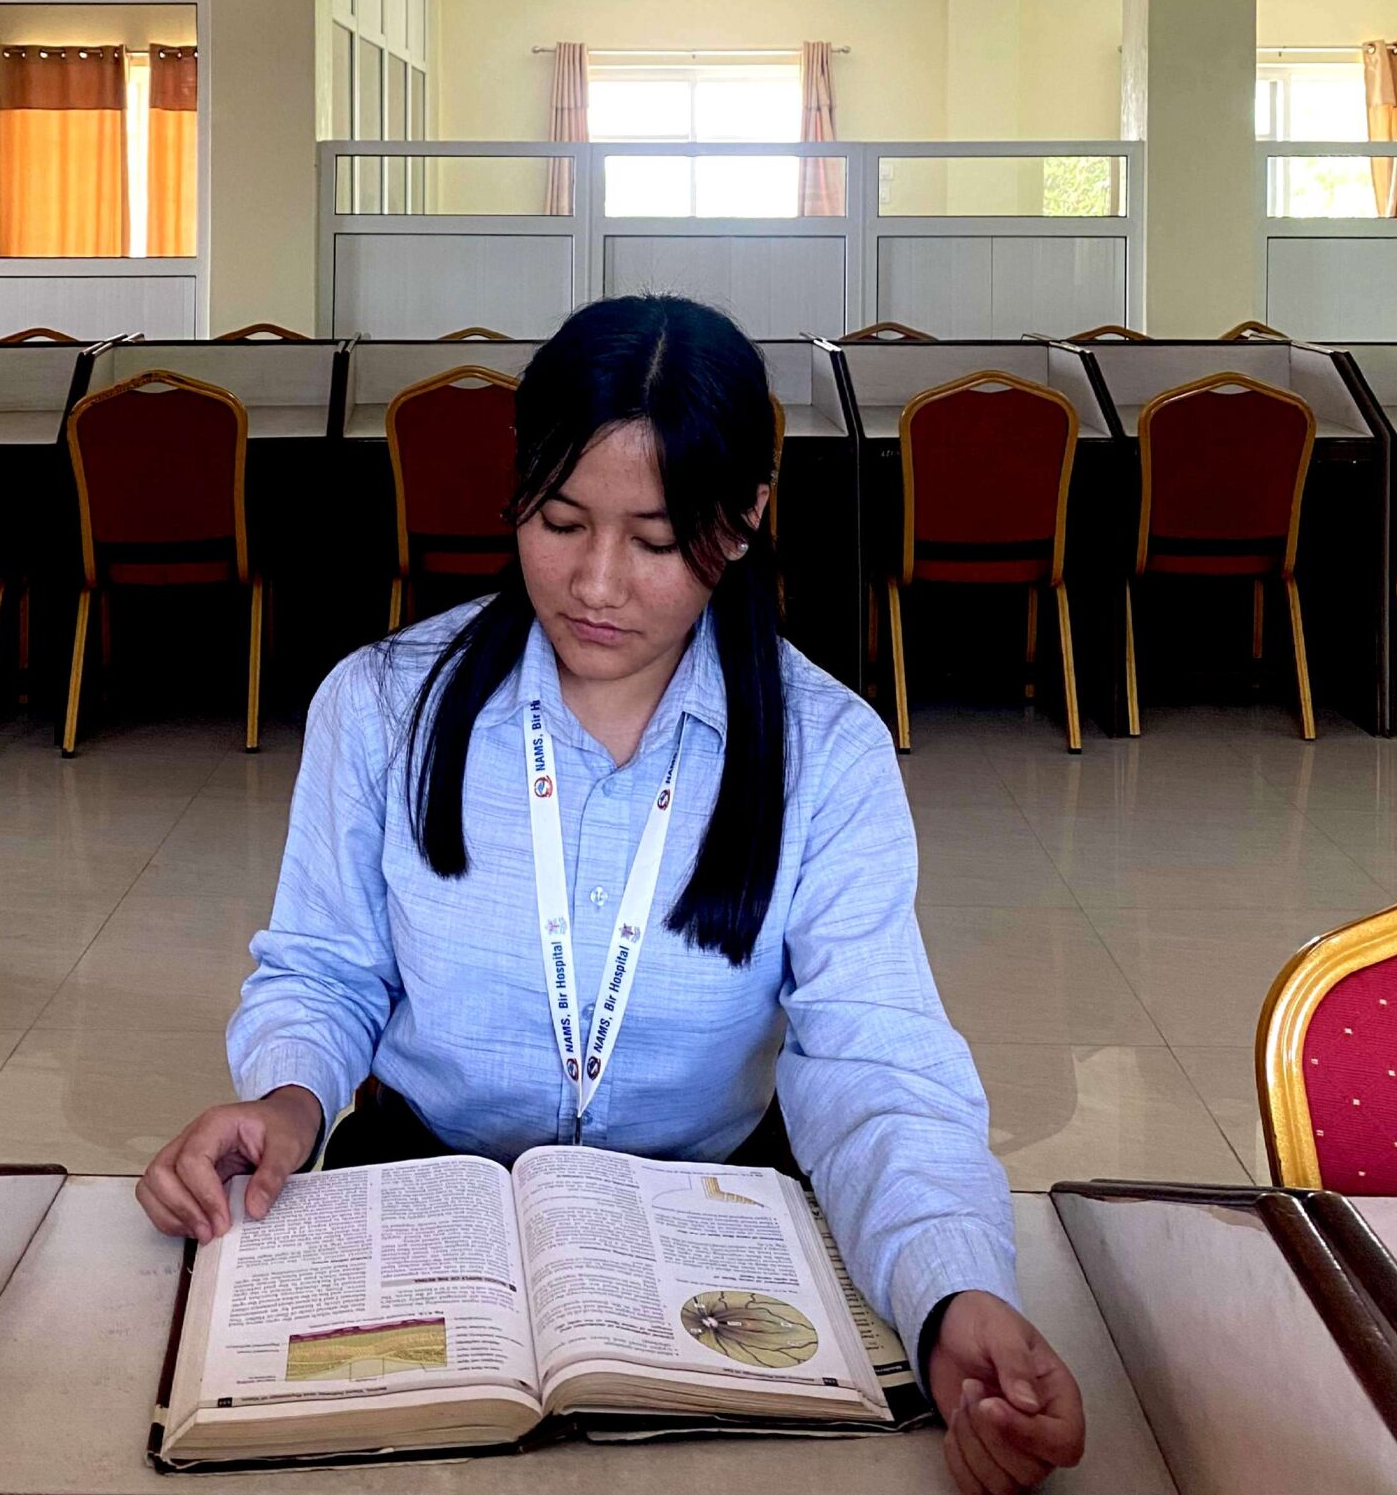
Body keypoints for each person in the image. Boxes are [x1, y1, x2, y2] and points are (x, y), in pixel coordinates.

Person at [141, 294, 1085, 1492]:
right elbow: (326, 967)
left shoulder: (820, 748)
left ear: (743, 518)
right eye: (558, 519)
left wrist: (954, 1292)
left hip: (705, 1214)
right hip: (425, 1187)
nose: (593, 583)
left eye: (652, 540)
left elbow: (874, 1062)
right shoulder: (381, 705)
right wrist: (284, 1099)